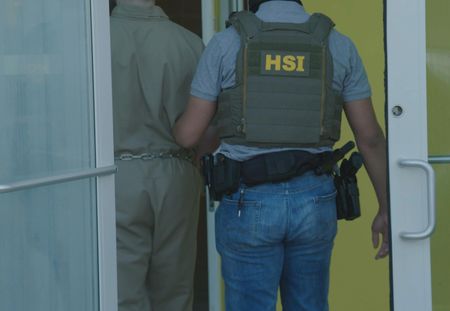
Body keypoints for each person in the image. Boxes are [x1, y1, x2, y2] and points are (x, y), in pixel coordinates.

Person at [173, 0, 389, 310]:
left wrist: (172, 123)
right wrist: (386, 207)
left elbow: (189, 135)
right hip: (315, 199)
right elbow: (369, 138)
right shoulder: (337, 44)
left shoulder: (226, 43)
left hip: (248, 199)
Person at [110, 1, 204, 310]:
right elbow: (208, 124)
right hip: (177, 172)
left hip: (113, 176)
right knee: (175, 292)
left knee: (122, 292)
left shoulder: (93, 40)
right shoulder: (190, 43)